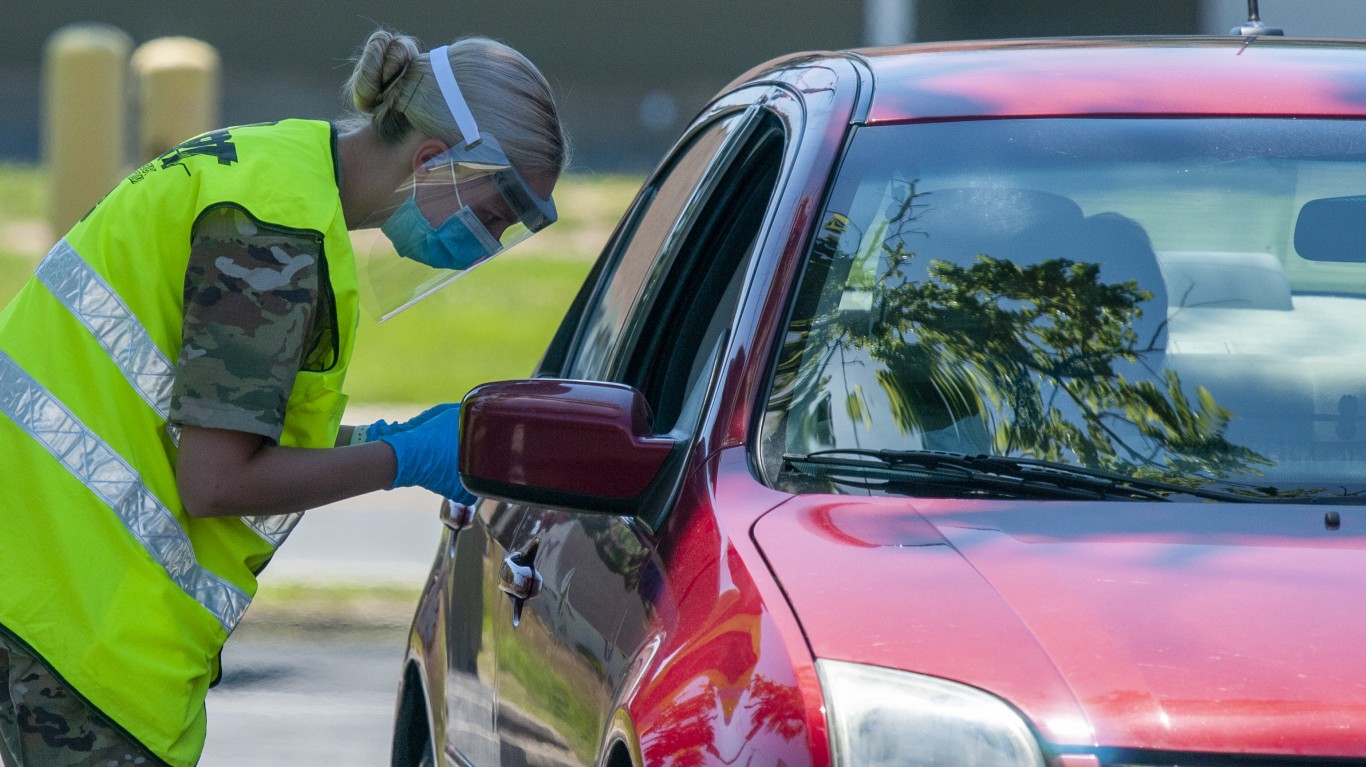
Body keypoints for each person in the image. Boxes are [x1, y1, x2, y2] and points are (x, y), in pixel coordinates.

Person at [0, 27, 567, 767]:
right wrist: (402, 457)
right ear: (435, 162)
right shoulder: (277, 240)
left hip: (39, 579)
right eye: (492, 216)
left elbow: (220, 427)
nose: (486, 243)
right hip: (76, 621)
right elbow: (215, 481)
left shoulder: (279, 170)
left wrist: (377, 442)